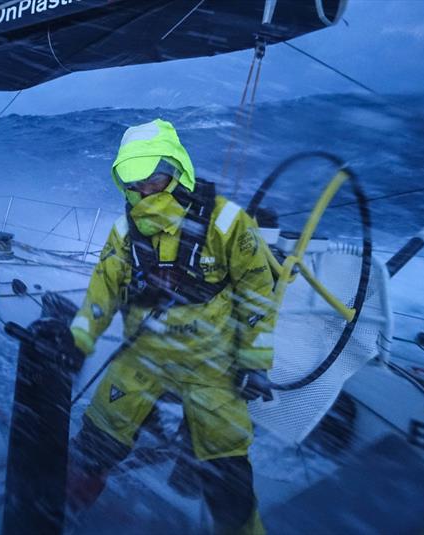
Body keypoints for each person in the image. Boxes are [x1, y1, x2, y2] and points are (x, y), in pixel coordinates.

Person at [59, 119, 276, 534]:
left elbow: (257, 292)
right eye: (133, 182)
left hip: (213, 368)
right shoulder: (124, 232)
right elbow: (102, 292)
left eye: (153, 180)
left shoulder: (229, 223)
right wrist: (79, 340)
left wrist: (254, 360)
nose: (143, 192)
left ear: (178, 173)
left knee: (229, 480)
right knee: (92, 447)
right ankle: (58, 517)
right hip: (141, 359)